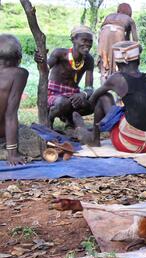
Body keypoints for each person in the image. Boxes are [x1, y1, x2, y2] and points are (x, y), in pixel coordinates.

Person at [73, 41, 146, 154]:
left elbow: (94, 97)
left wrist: (85, 106)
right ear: (139, 61)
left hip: (130, 144)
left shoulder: (117, 78)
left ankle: (94, 139)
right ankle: (88, 131)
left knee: (104, 97)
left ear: (117, 63)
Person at [34, 26, 95, 129]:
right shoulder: (60, 54)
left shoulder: (89, 60)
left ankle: (68, 118)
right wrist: (40, 61)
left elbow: (89, 88)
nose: (88, 44)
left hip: (72, 94)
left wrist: (82, 94)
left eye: (90, 41)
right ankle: (49, 119)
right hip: (53, 93)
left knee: (91, 105)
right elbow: (44, 70)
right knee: (63, 103)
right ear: (73, 40)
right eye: (84, 40)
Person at [0, 34, 43, 165]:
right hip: (3, 132)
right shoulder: (19, 74)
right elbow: (10, 114)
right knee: (36, 139)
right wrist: (12, 153)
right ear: (19, 58)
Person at [97, 3, 138, 84]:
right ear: (130, 12)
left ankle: (103, 85)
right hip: (118, 33)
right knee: (118, 60)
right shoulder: (129, 19)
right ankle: (116, 84)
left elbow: (101, 29)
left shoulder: (109, 15)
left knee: (104, 62)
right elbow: (134, 41)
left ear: (118, 10)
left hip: (104, 34)